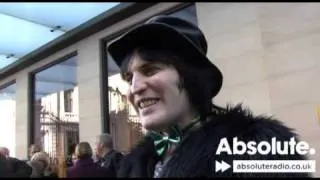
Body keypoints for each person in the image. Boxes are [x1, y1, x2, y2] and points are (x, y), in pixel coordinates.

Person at [107, 15, 311, 177]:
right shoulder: (133, 166)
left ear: (191, 77)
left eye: (150, 70)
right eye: (128, 78)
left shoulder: (259, 151)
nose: (134, 88)